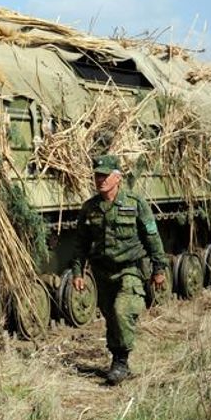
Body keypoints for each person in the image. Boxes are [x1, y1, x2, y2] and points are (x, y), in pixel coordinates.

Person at [71, 154, 168, 385]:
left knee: (122, 310)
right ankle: (117, 359)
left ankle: (121, 361)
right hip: (103, 271)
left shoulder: (135, 203)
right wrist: (78, 272)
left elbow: (152, 236)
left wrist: (159, 267)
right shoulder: (90, 208)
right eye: (97, 176)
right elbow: (80, 243)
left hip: (130, 268)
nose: (100, 180)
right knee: (111, 317)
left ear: (117, 178)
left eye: (105, 176)